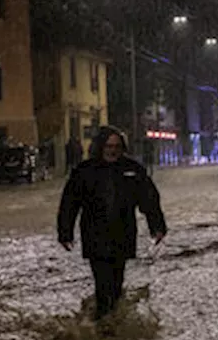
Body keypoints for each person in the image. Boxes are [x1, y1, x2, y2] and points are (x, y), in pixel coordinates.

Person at [58, 126, 167, 325]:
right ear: (100, 147)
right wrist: (65, 233)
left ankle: (111, 322)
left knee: (116, 283)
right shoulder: (85, 171)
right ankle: (102, 323)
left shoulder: (133, 170)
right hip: (95, 237)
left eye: (116, 146)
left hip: (122, 236)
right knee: (102, 283)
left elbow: (149, 199)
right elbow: (69, 203)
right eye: (108, 146)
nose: (112, 150)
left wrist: (157, 227)